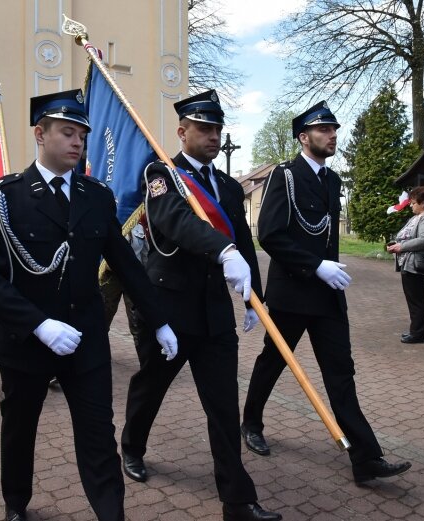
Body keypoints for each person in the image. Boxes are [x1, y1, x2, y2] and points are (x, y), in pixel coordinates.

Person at [0, 90, 178, 521]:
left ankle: (110, 513)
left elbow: (125, 264)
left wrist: (159, 321)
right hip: (26, 340)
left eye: (82, 133)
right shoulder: (4, 195)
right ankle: (16, 505)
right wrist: (39, 325)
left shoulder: (96, 196)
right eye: (67, 132)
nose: (77, 141)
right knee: (20, 430)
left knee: (99, 433)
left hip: (85, 337)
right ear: (39, 134)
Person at [120, 90, 280, 521]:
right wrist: (222, 251)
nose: (213, 136)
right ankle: (131, 446)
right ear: (182, 131)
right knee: (151, 387)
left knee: (224, 407)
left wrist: (252, 299)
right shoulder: (162, 174)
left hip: (213, 316)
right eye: (204, 128)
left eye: (217, 129)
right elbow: (177, 221)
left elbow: (243, 243)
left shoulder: (227, 185)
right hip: (170, 312)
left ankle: (238, 500)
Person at [240, 101, 411, 485]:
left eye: (334, 129)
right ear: (304, 137)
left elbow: (327, 237)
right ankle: (251, 422)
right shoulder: (284, 176)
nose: (333, 135)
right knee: (274, 362)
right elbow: (269, 234)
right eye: (323, 130)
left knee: (341, 373)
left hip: (328, 295)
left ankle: (366, 458)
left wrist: (329, 271)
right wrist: (315, 266)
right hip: (292, 293)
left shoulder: (332, 182)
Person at [386, 186, 424, 343]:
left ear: (423, 203)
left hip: (416, 265)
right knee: (413, 299)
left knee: (417, 300)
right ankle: (417, 331)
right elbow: (406, 235)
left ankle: (417, 333)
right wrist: (395, 244)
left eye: (413, 203)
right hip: (408, 264)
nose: (410, 205)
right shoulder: (416, 217)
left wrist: (401, 247)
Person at [101, 221, 149, 348]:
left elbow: (145, 252)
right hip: (110, 275)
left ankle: (144, 361)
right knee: (103, 316)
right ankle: (96, 353)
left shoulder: (140, 222)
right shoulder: (112, 218)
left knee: (137, 320)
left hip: (133, 276)